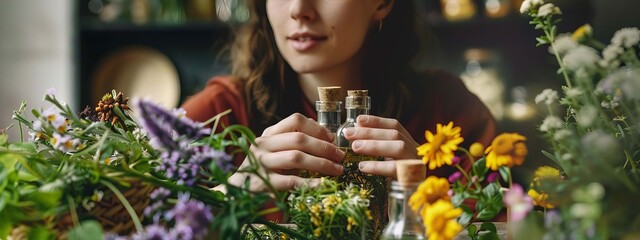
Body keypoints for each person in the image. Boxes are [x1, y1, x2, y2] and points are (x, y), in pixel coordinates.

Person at [182, 0, 496, 193]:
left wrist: (427, 200)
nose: (299, 9)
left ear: (383, 2)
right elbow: (143, 219)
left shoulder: (450, 111)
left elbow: (521, 220)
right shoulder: (217, 115)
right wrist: (230, 193)